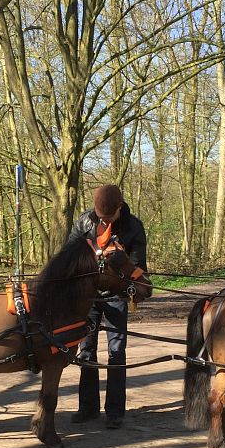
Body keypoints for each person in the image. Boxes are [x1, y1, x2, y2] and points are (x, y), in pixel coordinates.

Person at [67, 184, 148, 429]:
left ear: (119, 208)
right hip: (89, 297)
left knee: (116, 353)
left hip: (117, 296)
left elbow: (139, 265)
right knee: (86, 351)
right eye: (99, 216)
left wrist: (120, 259)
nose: (103, 221)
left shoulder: (134, 226)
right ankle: (88, 408)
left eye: (108, 217)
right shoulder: (84, 222)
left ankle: (115, 412)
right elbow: (69, 254)